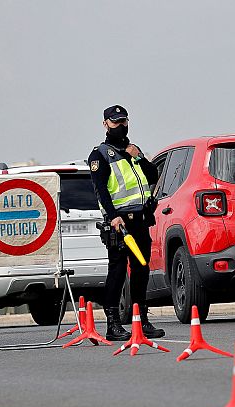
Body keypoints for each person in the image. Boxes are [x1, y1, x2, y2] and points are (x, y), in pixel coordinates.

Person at [88, 105, 164, 341]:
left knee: (141, 269)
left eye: (123, 121)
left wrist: (138, 157)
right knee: (118, 271)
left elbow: (153, 176)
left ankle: (141, 319)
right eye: (115, 122)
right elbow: (101, 191)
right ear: (105, 124)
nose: (121, 126)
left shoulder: (133, 150)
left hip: (140, 221)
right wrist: (113, 217)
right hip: (120, 222)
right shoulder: (100, 155)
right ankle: (113, 323)